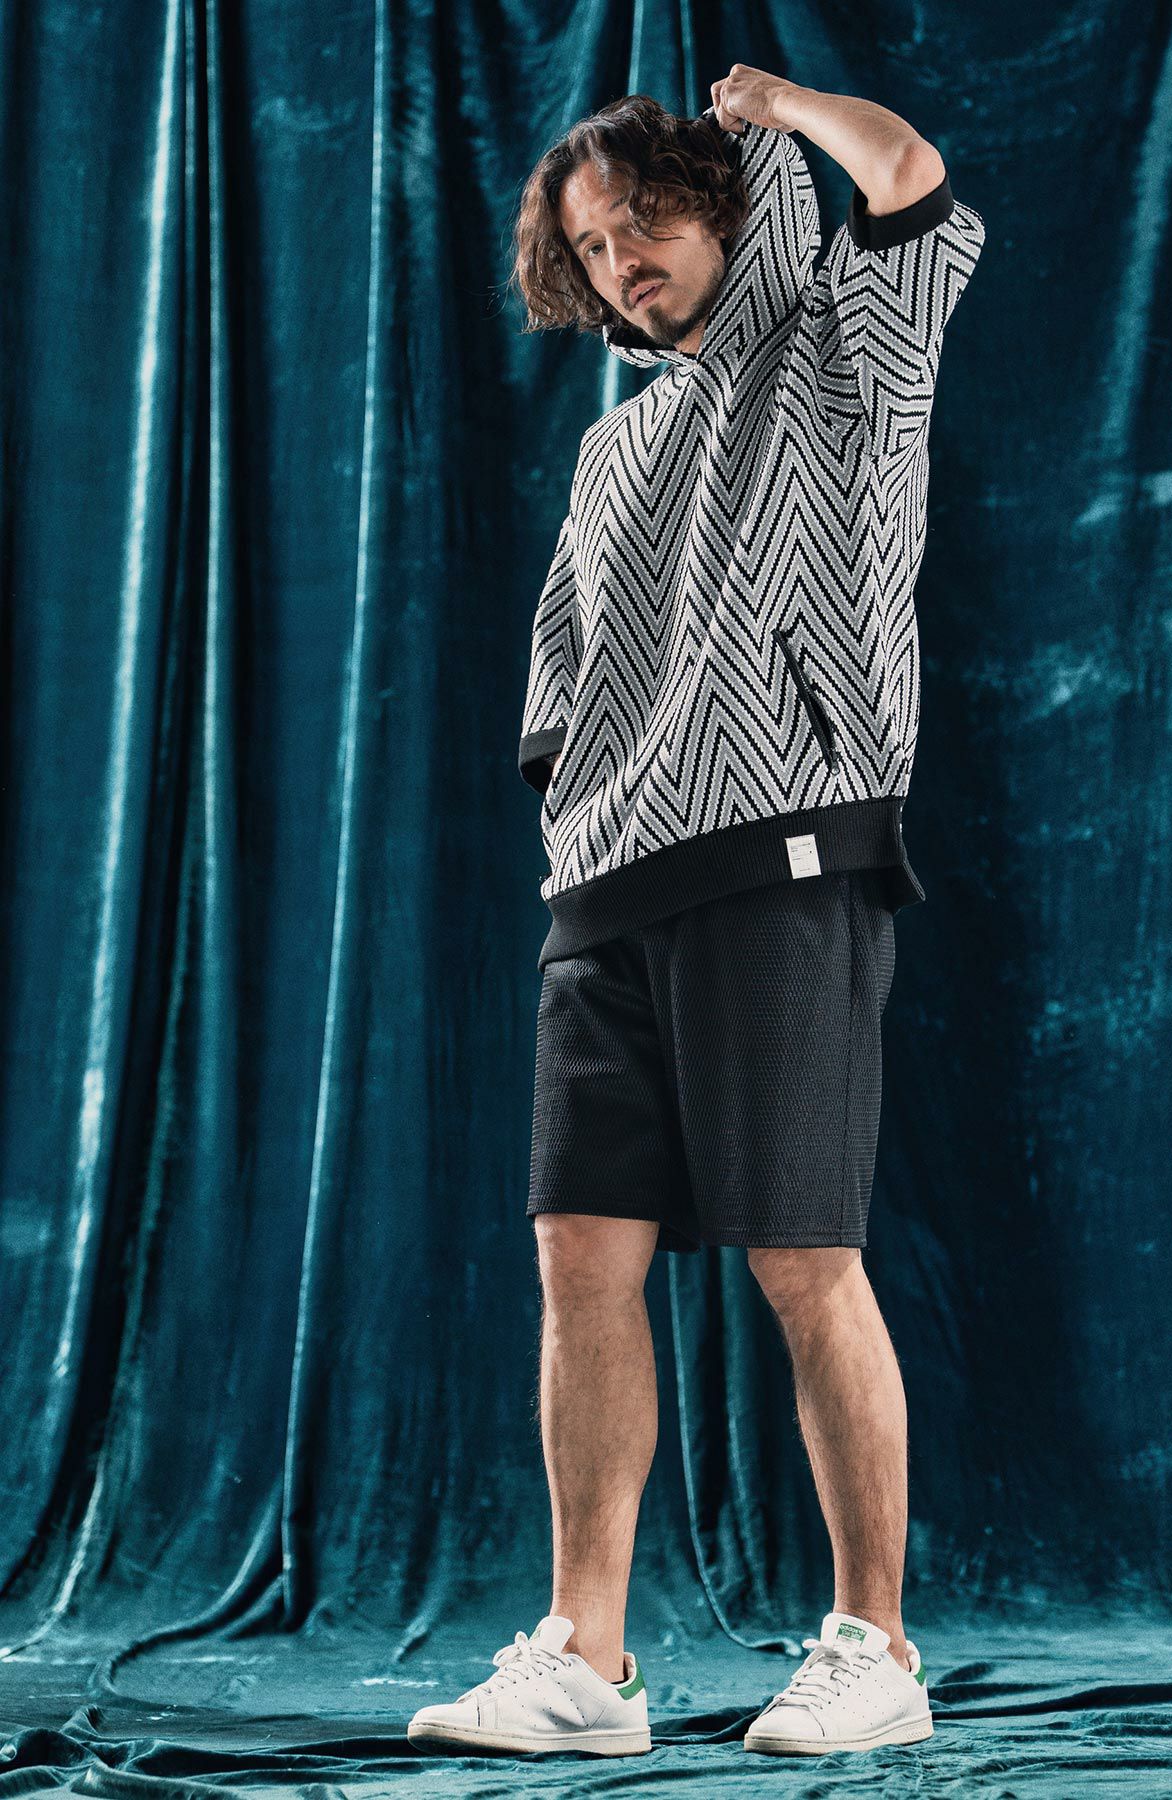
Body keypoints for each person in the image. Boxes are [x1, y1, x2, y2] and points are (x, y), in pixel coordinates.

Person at [408, 63, 984, 1760]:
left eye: (644, 223)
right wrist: (583, 797)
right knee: (579, 1261)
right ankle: (589, 1665)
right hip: (607, 887)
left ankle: (877, 1649)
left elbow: (909, 171)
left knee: (806, 1259)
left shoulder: (845, 350)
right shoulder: (614, 445)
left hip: (785, 852)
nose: (622, 265)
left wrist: (785, 108)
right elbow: (563, 668)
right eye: (591, 248)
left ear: (721, 207)